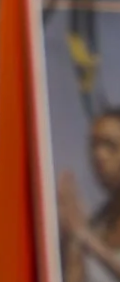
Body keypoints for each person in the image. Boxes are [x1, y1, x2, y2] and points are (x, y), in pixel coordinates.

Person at [62, 109, 120, 282]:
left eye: (109, 145)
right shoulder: (97, 221)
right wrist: (72, 242)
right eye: (94, 145)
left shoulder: (89, 231)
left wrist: (92, 244)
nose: (98, 155)